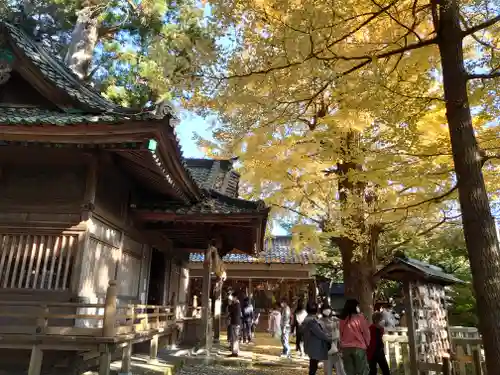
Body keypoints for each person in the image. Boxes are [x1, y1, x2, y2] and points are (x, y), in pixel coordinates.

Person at [339, 299, 370, 375]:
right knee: (362, 371)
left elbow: (340, 333)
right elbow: (366, 332)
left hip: (345, 347)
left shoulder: (342, 319)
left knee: (349, 372)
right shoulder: (360, 318)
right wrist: (367, 343)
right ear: (355, 307)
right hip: (359, 347)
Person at [303, 301, 332, 375]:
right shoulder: (312, 321)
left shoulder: (308, 319)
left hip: (312, 345)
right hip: (314, 346)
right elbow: (320, 333)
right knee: (313, 366)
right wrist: (330, 339)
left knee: (313, 365)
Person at [320, 303, 346, 375]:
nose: (327, 311)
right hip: (326, 348)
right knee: (327, 370)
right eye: (325, 309)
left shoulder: (335, 319)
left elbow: (341, 331)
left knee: (340, 368)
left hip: (337, 347)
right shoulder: (320, 321)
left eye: (328, 309)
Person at [227, 292, 242, 357]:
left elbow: (230, 309)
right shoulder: (236, 304)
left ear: (235, 297)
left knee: (235, 338)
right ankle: (234, 351)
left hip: (235, 323)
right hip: (235, 323)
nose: (232, 299)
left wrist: (230, 303)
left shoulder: (236, 304)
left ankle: (235, 352)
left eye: (232, 297)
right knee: (234, 338)